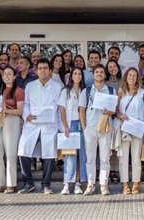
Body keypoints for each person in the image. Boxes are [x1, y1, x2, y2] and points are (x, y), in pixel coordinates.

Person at [18, 58, 62, 194]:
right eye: (40, 68)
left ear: (50, 71)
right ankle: (28, 183)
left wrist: (61, 127)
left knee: (49, 154)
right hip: (32, 124)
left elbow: (60, 108)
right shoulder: (30, 86)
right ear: (36, 71)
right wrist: (27, 115)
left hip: (50, 125)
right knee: (23, 149)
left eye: (45, 68)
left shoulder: (57, 86)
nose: (43, 70)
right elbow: (26, 104)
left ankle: (46, 185)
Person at [80, 64, 116, 196]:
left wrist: (110, 112)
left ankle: (103, 185)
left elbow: (115, 110)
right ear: (93, 75)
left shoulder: (111, 91)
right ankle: (90, 184)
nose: (99, 74)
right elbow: (82, 110)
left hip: (106, 128)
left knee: (105, 158)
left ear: (105, 75)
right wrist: (84, 127)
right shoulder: (86, 91)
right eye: (97, 72)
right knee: (90, 158)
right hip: (90, 128)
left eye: (102, 72)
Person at [0, 67, 25, 194]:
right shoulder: (1, 90)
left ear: (15, 77)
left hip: (12, 120)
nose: (7, 76)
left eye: (10, 74)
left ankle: (11, 183)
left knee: (10, 153)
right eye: (5, 74)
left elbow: (20, 111)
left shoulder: (19, 91)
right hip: (0, 119)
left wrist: (6, 109)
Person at [115, 67, 144, 195]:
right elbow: (115, 109)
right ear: (126, 77)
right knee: (123, 158)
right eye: (130, 75)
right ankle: (125, 184)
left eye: (134, 75)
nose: (132, 77)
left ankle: (136, 183)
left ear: (137, 78)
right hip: (124, 127)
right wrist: (119, 115)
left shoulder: (143, 93)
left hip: (138, 128)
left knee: (136, 158)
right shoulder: (121, 92)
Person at [58, 67, 88, 195]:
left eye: (79, 74)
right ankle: (66, 183)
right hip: (70, 125)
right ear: (71, 76)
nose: (77, 76)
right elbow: (62, 109)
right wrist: (65, 126)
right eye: (75, 73)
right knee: (69, 155)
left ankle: (77, 183)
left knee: (81, 156)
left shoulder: (85, 91)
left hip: (82, 125)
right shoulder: (65, 91)